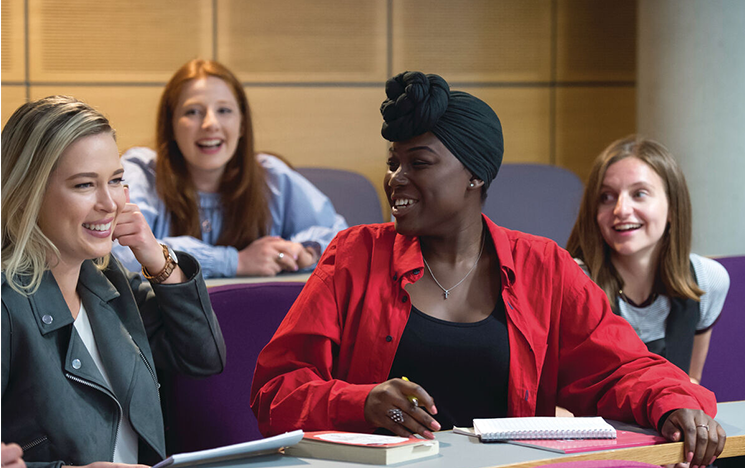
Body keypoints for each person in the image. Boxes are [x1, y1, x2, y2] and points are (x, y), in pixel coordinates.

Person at [250, 72, 725, 468]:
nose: (396, 179)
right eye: (394, 163)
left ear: (475, 174)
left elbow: (622, 369)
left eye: (419, 162)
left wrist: (675, 404)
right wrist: (361, 401)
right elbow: (275, 392)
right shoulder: (354, 256)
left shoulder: (544, 267)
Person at [1, 96, 226, 468]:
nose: (111, 203)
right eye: (85, 184)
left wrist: (156, 256)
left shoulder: (109, 282)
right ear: (27, 195)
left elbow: (202, 356)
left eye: (117, 180)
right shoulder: (7, 305)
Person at [112, 59, 347, 278]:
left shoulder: (271, 177)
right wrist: (234, 262)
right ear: (171, 125)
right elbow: (118, 252)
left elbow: (340, 238)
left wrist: (304, 252)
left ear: (242, 124)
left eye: (224, 110)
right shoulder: (142, 172)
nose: (210, 124)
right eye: (192, 112)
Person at [567, 136, 729, 384]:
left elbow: (690, 382)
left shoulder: (707, 280)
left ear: (673, 208)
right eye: (606, 197)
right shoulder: (573, 282)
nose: (621, 209)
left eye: (639, 194)